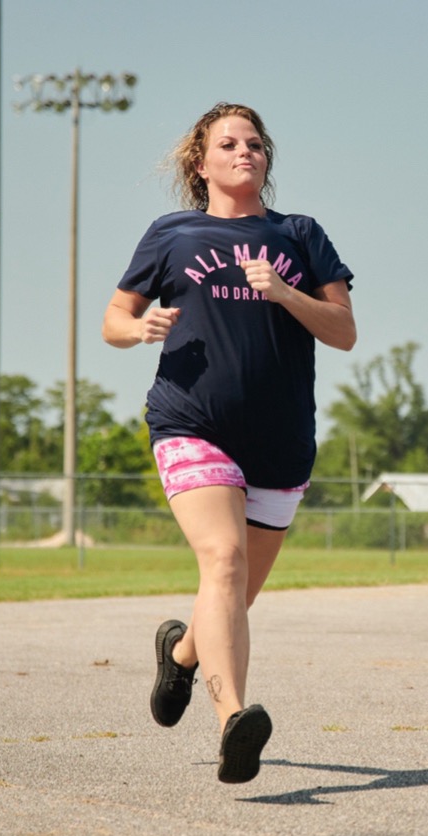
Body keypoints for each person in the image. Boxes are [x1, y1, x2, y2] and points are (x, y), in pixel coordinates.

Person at [102, 102, 356, 784]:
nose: (246, 152)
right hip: (192, 420)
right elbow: (113, 319)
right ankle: (234, 720)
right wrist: (140, 329)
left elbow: (343, 330)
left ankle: (181, 653)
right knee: (223, 560)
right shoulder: (172, 233)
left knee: (233, 591)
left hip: (280, 439)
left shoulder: (299, 235)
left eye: (255, 144)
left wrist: (286, 293)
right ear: (202, 161)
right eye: (229, 143)